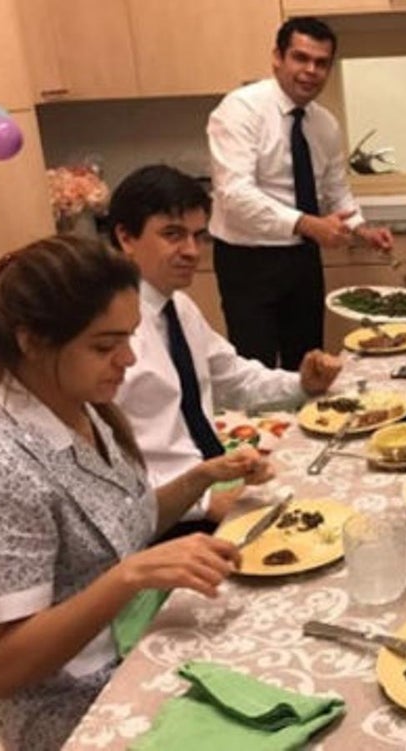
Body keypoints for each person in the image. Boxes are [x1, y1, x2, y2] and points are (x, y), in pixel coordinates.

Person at [0, 237, 273, 751]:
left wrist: (202, 477)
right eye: (104, 346)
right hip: (71, 705)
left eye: (129, 338)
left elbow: (119, 526)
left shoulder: (80, 406)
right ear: (31, 341)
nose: (127, 360)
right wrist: (129, 577)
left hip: (137, 638)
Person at [110, 165, 342, 529]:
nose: (191, 251)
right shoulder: (107, 335)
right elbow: (105, 473)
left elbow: (235, 378)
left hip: (214, 481)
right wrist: (203, 504)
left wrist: (302, 384)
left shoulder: (180, 308)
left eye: (199, 236)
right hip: (168, 517)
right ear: (126, 237)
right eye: (173, 235)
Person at [207, 16, 393, 368]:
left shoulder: (325, 124)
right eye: (301, 58)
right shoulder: (240, 109)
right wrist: (309, 224)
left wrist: (361, 229)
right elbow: (235, 194)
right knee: (254, 368)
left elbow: (336, 192)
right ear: (277, 57)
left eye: (321, 63)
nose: (311, 70)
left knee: (308, 365)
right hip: (248, 260)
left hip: (303, 260)